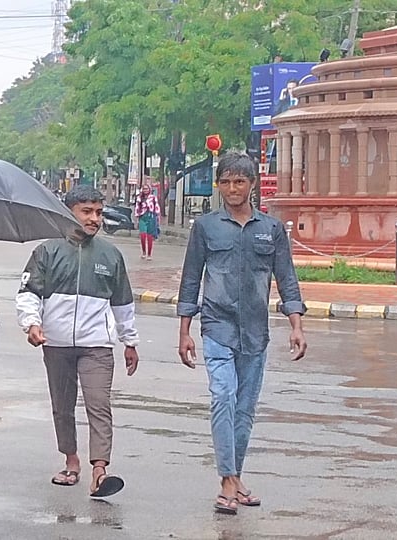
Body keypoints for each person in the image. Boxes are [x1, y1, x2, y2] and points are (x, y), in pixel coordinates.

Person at [176, 151, 307, 515]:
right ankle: (226, 480)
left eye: (239, 181)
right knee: (223, 397)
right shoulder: (205, 227)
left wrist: (296, 324)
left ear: (252, 185)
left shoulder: (272, 229)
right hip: (216, 327)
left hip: (255, 332)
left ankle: (236, 477)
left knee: (245, 410)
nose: (232, 188)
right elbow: (190, 280)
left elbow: (287, 278)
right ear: (218, 186)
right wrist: (185, 331)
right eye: (226, 182)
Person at [16, 185, 140, 499]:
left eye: (98, 212)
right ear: (69, 210)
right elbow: (29, 294)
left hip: (96, 344)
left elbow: (123, 303)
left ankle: (100, 470)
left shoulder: (110, 255)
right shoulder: (47, 251)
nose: (94, 218)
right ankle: (71, 461)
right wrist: (31, 324)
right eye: (87, 211)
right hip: (55, 342)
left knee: (99, 405)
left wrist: (130, 341)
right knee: (63, 405)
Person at [134, 183, 161, 261]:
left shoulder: (153, 198)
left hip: (151, 217)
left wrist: (158, 218)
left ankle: (149, 254)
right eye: (144, 189)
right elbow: (137, 209)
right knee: (142, 236)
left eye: (147, 189)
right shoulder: (139, 198)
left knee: (149, 237)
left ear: (149, 189)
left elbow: (156, 208)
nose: (145, 190)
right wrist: (137, 220)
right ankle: (143, 252)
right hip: (142, 218)